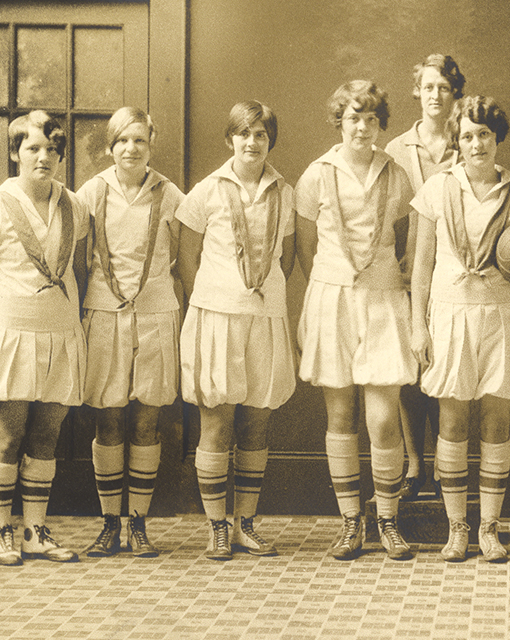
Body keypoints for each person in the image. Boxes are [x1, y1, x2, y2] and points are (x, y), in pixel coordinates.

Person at [411, 95, 510, 563]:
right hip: (451, 313)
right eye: (468, 135)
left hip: (501, 314)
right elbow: (419, 267)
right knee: (452, 423)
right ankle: (457, 528)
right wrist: (418, 325)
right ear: (457, 140)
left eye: (485, 135)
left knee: (498, 422)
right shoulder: (437, 189)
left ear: (497, 139)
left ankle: (489, 528)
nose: (477, 144)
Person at [296, 81, 417, 561]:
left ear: (381, 124)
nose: (362, 127)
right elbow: (305, 248)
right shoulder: (316, 174)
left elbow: (405, 241)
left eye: (370, 119)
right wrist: (335, 282)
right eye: (352, 118)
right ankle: (351, 523)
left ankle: (387, 519)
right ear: (339, 123)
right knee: (340, 414)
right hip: (333, 297)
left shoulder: (398, 173)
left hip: (384, 297)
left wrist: (376, 277)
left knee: (384, 418)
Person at [0, 110, 88, 565]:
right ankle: (3, 534)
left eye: (52, 149)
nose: (44, 156)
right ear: (15, 153)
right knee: (9, 434)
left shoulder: (75, 205)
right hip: (10, 333)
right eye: (33, 148)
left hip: (60, 332)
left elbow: (76, 269)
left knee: (47, 436)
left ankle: (35, 531)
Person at [177, 100, 295, 560]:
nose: (252, 141)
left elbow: (286, 255)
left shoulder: (286, 192)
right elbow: (187, 255)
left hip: (264, 316)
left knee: (258, 419)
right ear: (230, 139)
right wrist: (209, 300)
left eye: (261, 134)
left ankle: (245, 523)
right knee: (217, 421)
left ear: (270, 141)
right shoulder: (206, 190)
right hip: (217, 314)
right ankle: (216, 527)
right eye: (244, 133)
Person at [78, 107, 184, 558]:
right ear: (110, 147)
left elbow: (183, 255)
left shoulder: (172, 194)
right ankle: (108, 523)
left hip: (157, 312)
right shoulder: (89, 192)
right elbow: (77, 257)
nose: (131, 149)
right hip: (104, 312)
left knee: (147, 417)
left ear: (151, 145)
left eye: (139, 140)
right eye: (122, 140)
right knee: (108, 417)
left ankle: (138, 522)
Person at [384, 54, 466, 499]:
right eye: (429, 87)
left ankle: (444, 465)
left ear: (456, 94)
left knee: (449, 371)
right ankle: (415, 462)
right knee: (412, 372)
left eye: (444, 88)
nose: (436, 95)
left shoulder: (469, 140)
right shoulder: (397, 148)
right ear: (418, 91)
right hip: (407, 269)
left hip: (456, 274)